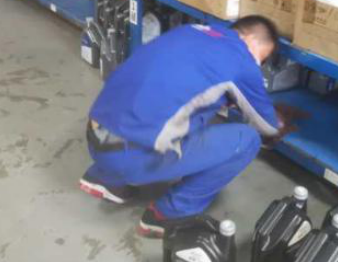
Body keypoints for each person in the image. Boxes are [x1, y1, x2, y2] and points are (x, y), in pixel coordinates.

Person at [80, 16, 286, 237]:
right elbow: (268, 127)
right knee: (248, 140)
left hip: (96, 135)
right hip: (130, 158)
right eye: (262, 58)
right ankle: (169, 214)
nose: (259, 65)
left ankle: (106, 179)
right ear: (252, 39)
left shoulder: (189, 31)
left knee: (169, 112)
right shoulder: (243, 62)